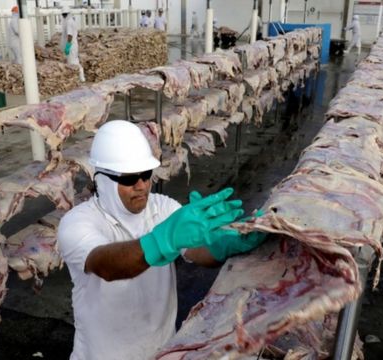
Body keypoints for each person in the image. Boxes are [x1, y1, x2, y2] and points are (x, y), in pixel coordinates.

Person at [57, 120, 266, 360]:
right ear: (102, 180)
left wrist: (223, 245)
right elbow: (107, 266)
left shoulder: (163, 208)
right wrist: (162, 240)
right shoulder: (77, 223)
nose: (141, 186)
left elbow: (196, 252)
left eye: (146, 175)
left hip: (161, 351)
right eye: (129, 179)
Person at [61, 6, 85, 82]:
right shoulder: (71, 20)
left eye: (65, 14)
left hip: (71, 45)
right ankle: (79, 77)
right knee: (73, 60)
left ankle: (80, 76)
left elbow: (70, 35)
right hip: (73, 44)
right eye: (63, 14)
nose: (64, 16)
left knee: (73, 62)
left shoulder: (68, 22)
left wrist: (67, 46)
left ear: (68, 14)